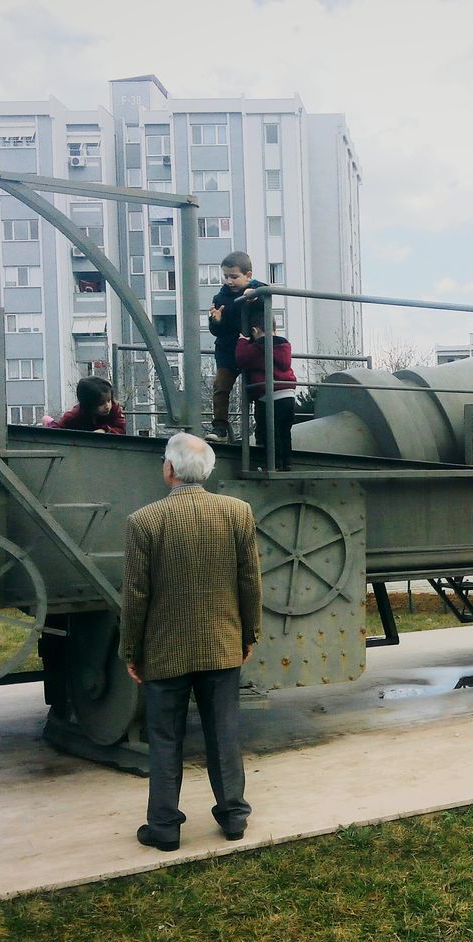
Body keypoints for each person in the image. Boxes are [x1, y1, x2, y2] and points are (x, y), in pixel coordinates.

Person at [120, 432, 261, 851]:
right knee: (224, 732)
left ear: (169, 469)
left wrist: (132, 650)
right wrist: (249, 632)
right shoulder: (238, 513)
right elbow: (249, 580)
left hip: (165, 651)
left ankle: (164, 828)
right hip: (222, 644)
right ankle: (233, 817)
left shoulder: (143, 522)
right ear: (209, 471)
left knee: (165, 738)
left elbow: (136, 596)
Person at [205, 251, 265, 442]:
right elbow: (215, 331)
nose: (229, 281)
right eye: (226, 277)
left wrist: (254, 291)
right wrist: (216, 321)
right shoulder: (220, 298)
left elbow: (266, 294)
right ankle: (220, 428)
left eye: (234, 277)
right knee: (221, 388)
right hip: (227, 352)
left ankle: (261, 429)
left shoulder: (255, 291)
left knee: (257, 390)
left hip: (250, 351)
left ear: (248, 275)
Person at [234, 319, 297, 470]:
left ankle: (273, 464)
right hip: (288, 394)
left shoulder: (260, 347)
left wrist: (242, 341)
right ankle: (287, 464)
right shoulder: (283, 346)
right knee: (284, 432)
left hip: (269, 396)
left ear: (255, 331)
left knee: (269, 433)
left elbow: (241, 359)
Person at [46, 376, 127, 434]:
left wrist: (105, 430)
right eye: (101, 403)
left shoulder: (115, 408)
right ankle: (49, 422)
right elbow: (57, 430)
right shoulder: (75, 415)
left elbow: (121, 429)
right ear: (89, 405)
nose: (107, 406)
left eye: (109, 400)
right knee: (53, 425)